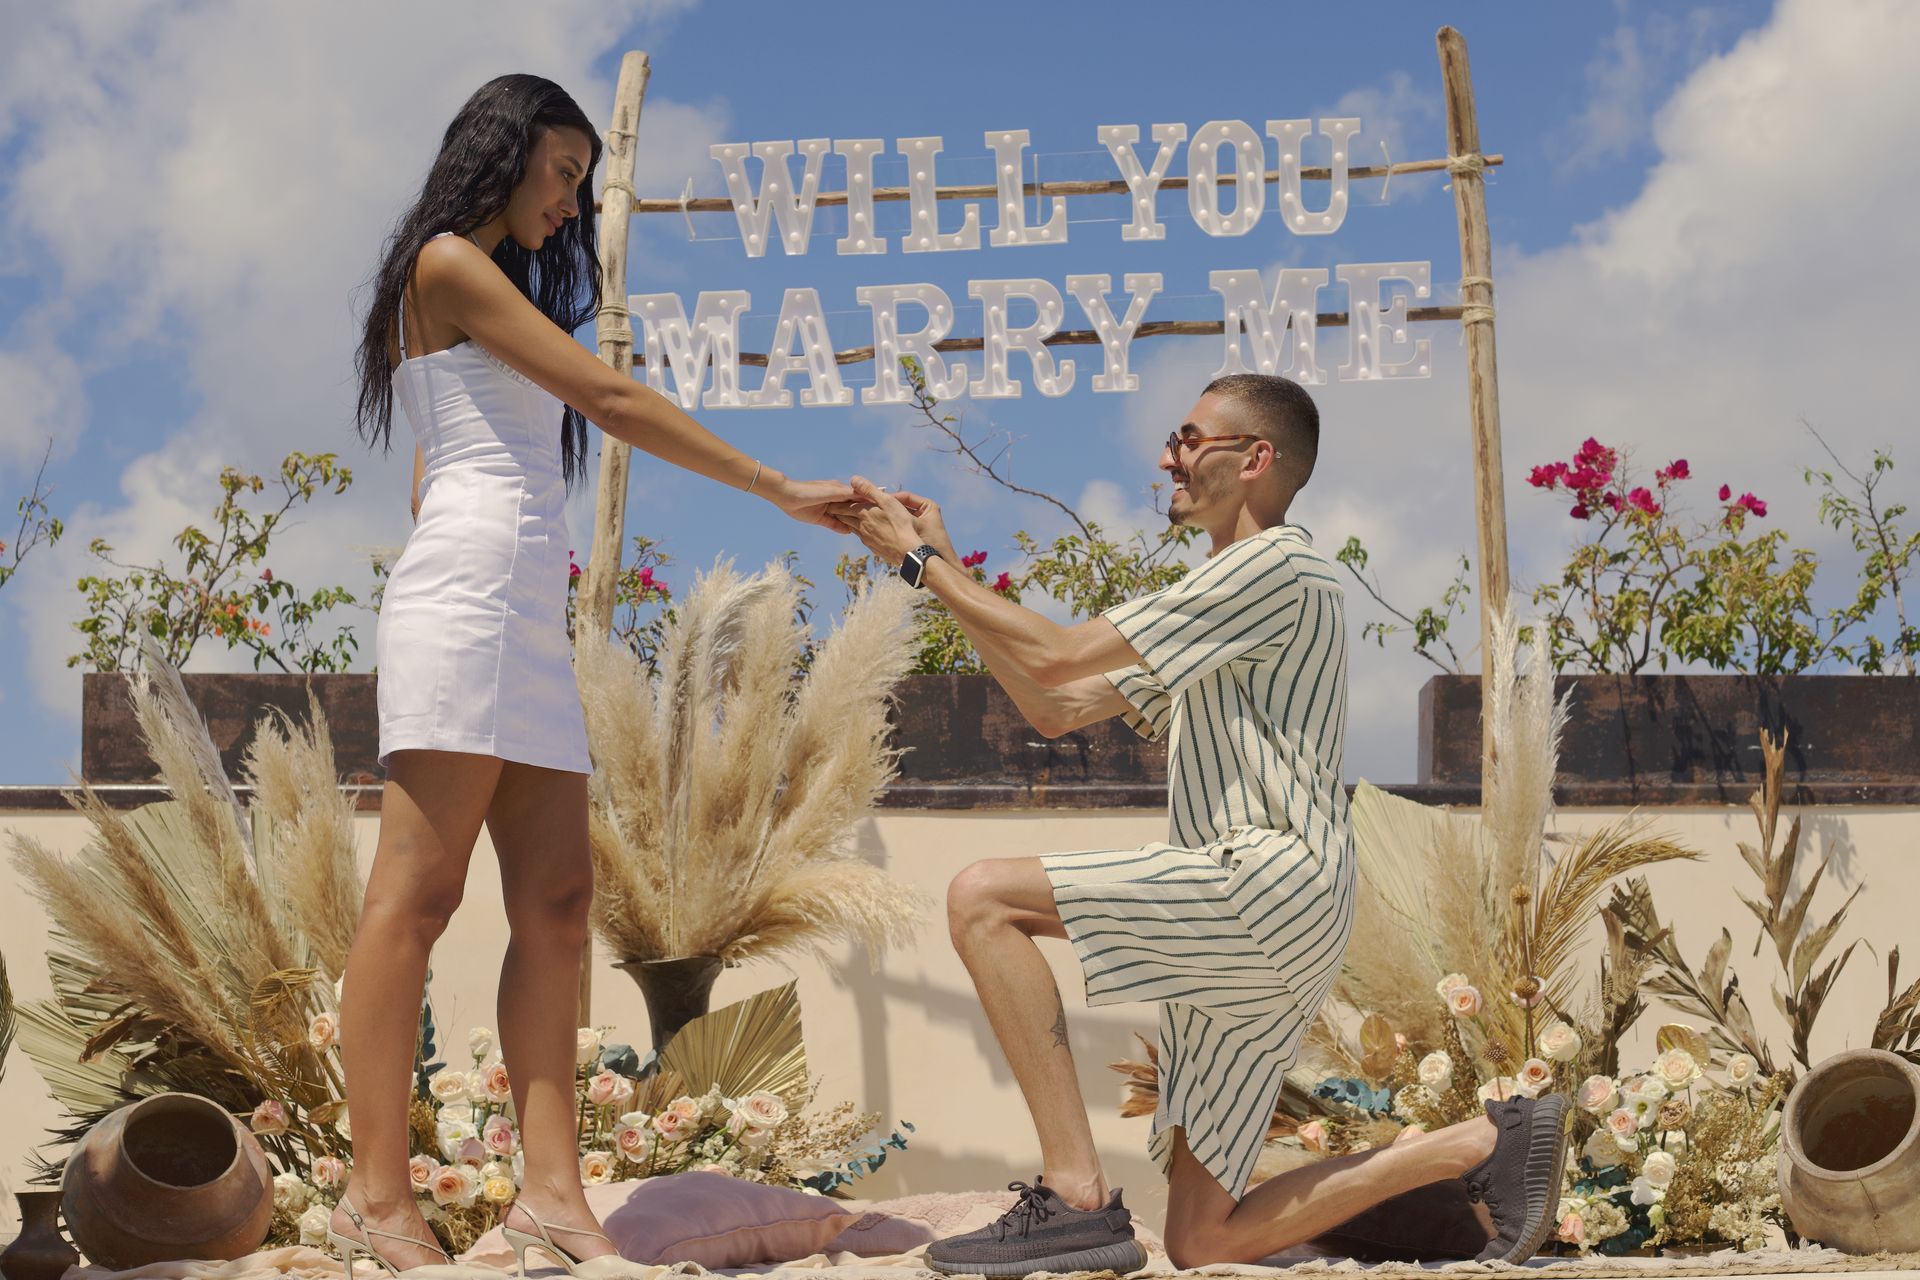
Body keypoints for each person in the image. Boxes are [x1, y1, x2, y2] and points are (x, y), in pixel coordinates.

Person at [829, 373, 1568, 1276]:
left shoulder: (1274, 567)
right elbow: (1054, 703)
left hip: (1265, 879)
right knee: (1201, 1241)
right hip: (1268, 910)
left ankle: (1073, 1192)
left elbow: (1057, 651)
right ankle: (1477, 1143)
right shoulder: (1228, 593)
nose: (1165, 456)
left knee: (984, 900)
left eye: (1188, 439)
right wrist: (946, 569)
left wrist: (917, 563)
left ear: (1255, 459)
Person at [340, 75, 853, 1279]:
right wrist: (776, 486)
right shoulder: (448, 261)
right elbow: (608, 397)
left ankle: (554, 1199)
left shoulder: (492, 289)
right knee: (415, 900)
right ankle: (375, 1197)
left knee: (560, 906)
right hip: (466, 603)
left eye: (582, 178)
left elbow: (443, 456)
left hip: (521, 609)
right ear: (505, 151)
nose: (572, 203)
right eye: (563, 172)